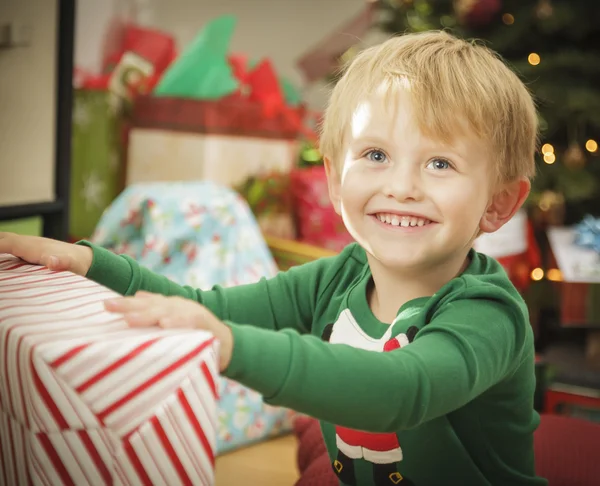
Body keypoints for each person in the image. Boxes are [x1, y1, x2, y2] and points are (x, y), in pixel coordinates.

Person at [0, 30, 547, 485]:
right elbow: (197, 305)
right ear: (335, 181)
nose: (401, 186)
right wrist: (88, 264)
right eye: (376, 154)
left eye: (441, 164)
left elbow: (399, 390)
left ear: (498, 204)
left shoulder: (485, 312)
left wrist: (230, 345)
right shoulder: (338, 277)